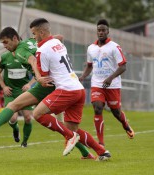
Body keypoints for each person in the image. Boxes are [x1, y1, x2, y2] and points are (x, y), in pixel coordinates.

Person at [0, 27, 81, 156]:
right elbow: (59, 37)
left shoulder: (20, 50)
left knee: (28, 112)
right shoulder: (31, 41)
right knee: (15, 107)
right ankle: (90, 153)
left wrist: (38, 77)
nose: (4, 46)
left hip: (48, 83)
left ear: (15, 38)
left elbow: (32, 60)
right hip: (55, 82)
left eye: (5, 42)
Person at [29, 18, 110, 160]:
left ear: (41, 32)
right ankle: (101, 151)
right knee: (73, 129)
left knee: (37, 114)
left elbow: (44, 78)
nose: (33, 37)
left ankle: (70, 136)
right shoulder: (57, 43)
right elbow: (59, 38)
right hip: (78, 89)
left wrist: (34, 67)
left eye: (34, 33)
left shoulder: (41, 50)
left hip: (66, 90)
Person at [79, 19, 135, 146]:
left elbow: (123, 66)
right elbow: (89, 66)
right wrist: (82, 76)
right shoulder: (91, 48)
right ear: (96, 31)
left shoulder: (114, 47)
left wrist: (110, 78)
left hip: (112, 85)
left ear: (108, 31)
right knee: (98, 109)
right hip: (97, 84)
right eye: (99, 30)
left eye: (103, 30)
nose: (101, 32)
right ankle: (101, 143)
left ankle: (126, 125)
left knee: (116, 112)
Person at [0, 51, 36, 147]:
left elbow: (37, 73)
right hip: (11, 92)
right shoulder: (5, 57)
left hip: (24, 92)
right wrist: (4, 86)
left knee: (28, 118)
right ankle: (15, 129)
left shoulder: (27, 57)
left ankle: (24, 142)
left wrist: (29, 84)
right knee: (13, 118)